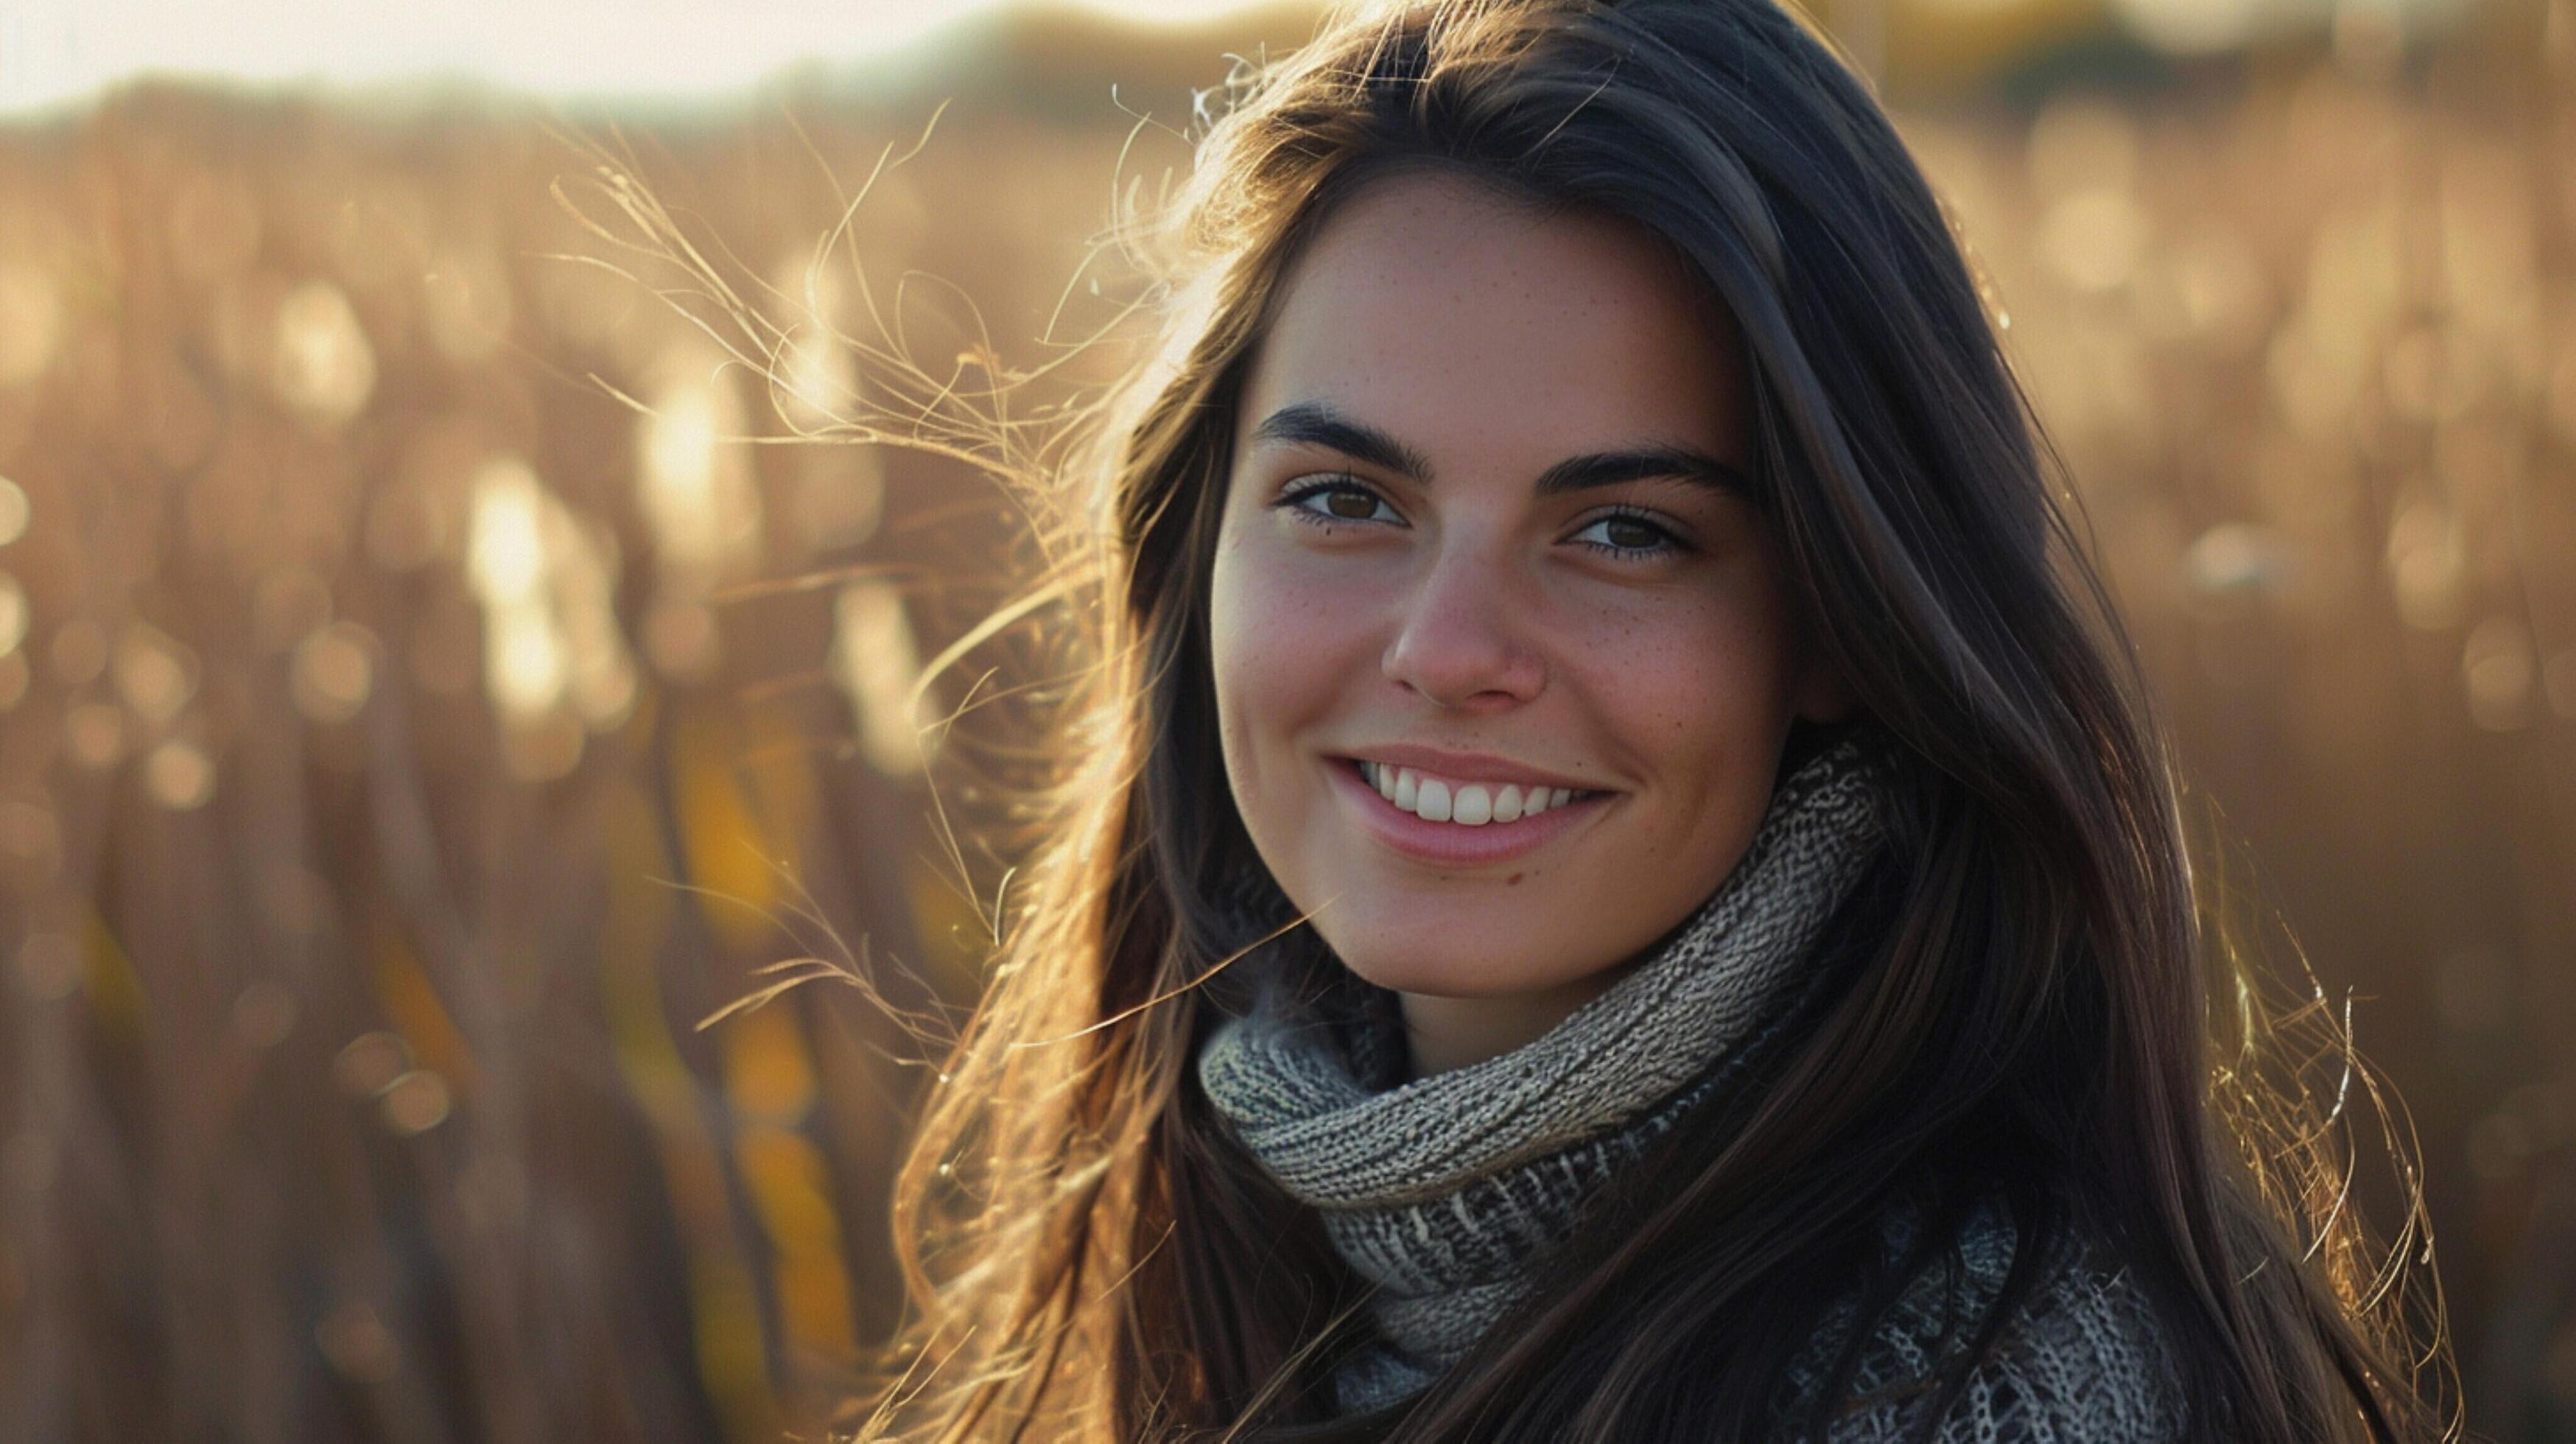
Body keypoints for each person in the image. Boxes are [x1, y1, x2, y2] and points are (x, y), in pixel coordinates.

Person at [843, 0, 2452, 1437]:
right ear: (1204, 543)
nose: (1450, 648)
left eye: (1625, 530)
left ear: (1842, 623)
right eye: (1345, 497)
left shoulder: (1981, 1396)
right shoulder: (1222, 1248)